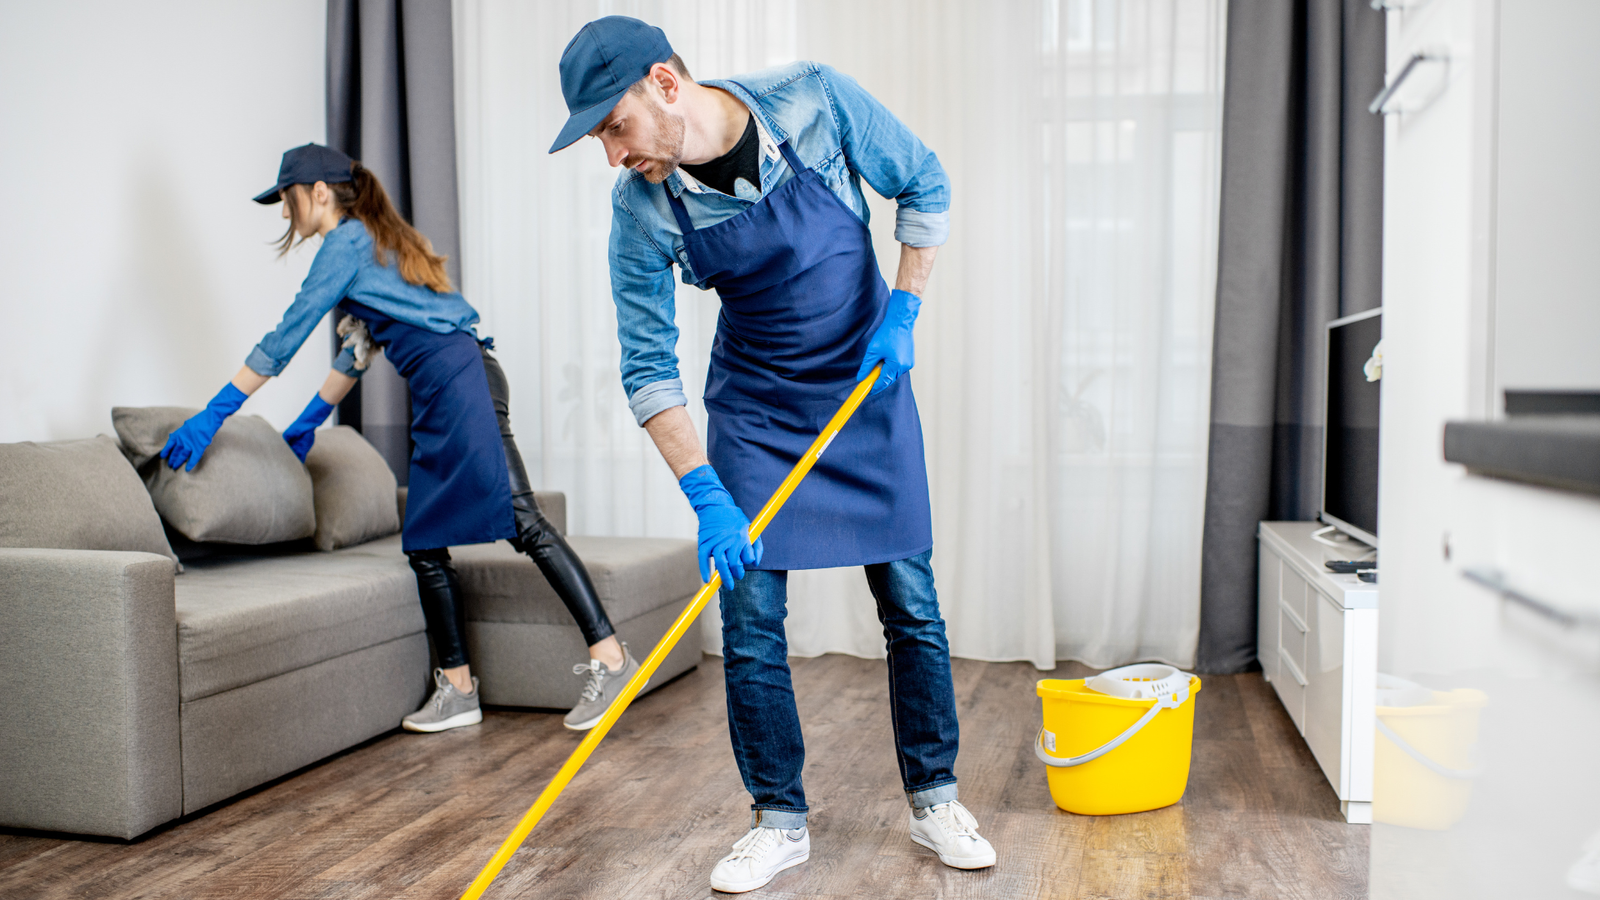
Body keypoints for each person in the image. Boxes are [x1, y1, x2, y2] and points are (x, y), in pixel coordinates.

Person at [550, 17, 996, 893]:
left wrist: (903, 311)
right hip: (756, 409)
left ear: (664, 85)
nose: (612, 155)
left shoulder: (813, 101)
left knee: (910, 599)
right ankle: (778, 818)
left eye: (614, 127)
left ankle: (935, 798)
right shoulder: (642, 208)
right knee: (750, 619)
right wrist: (707, 492)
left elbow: (924, 180)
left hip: (865, 387)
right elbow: (648, 366)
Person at [159, 143, 639, 734]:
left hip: (459, 382)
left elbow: (285, 338)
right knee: (424, 542)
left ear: (316, 192)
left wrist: (214, 413)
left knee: (523, 520)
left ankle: (611, 659)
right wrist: (307, 422)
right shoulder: (372, 245)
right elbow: (356, 352)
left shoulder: (347, 243)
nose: (284, 215)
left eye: (285, 200)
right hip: (447, 388)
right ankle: (458, 688)